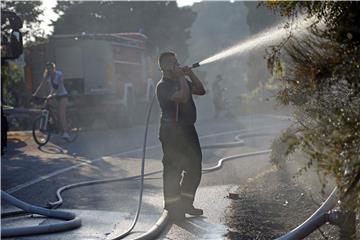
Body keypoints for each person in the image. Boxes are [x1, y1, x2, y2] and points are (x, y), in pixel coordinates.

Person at [156, 52, 206, 220]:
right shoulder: (163, 86)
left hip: (188, 130)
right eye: (171, 62)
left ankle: (186, 203)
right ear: (163, 67)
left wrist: (190, 73)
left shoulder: (180, 80)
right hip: (171, 132)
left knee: (195, 167)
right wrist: (181, 78)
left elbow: (200, 90)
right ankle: (172, 207)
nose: (175, 64)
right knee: (173, 169)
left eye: (176, 61)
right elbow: (183, 98)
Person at [33, 62, 70, 140]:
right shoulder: (48, 77)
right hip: (54, 95)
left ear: (54, 68)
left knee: (61, 114)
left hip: (62, 95)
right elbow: (42, 84)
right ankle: (51, 124)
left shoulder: (59, 74)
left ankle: (66, 133)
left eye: (51, 68)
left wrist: (52, 94)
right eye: (48, 69)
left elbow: (57, 86)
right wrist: (35, 94)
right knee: (46, 107)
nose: (50, 70)